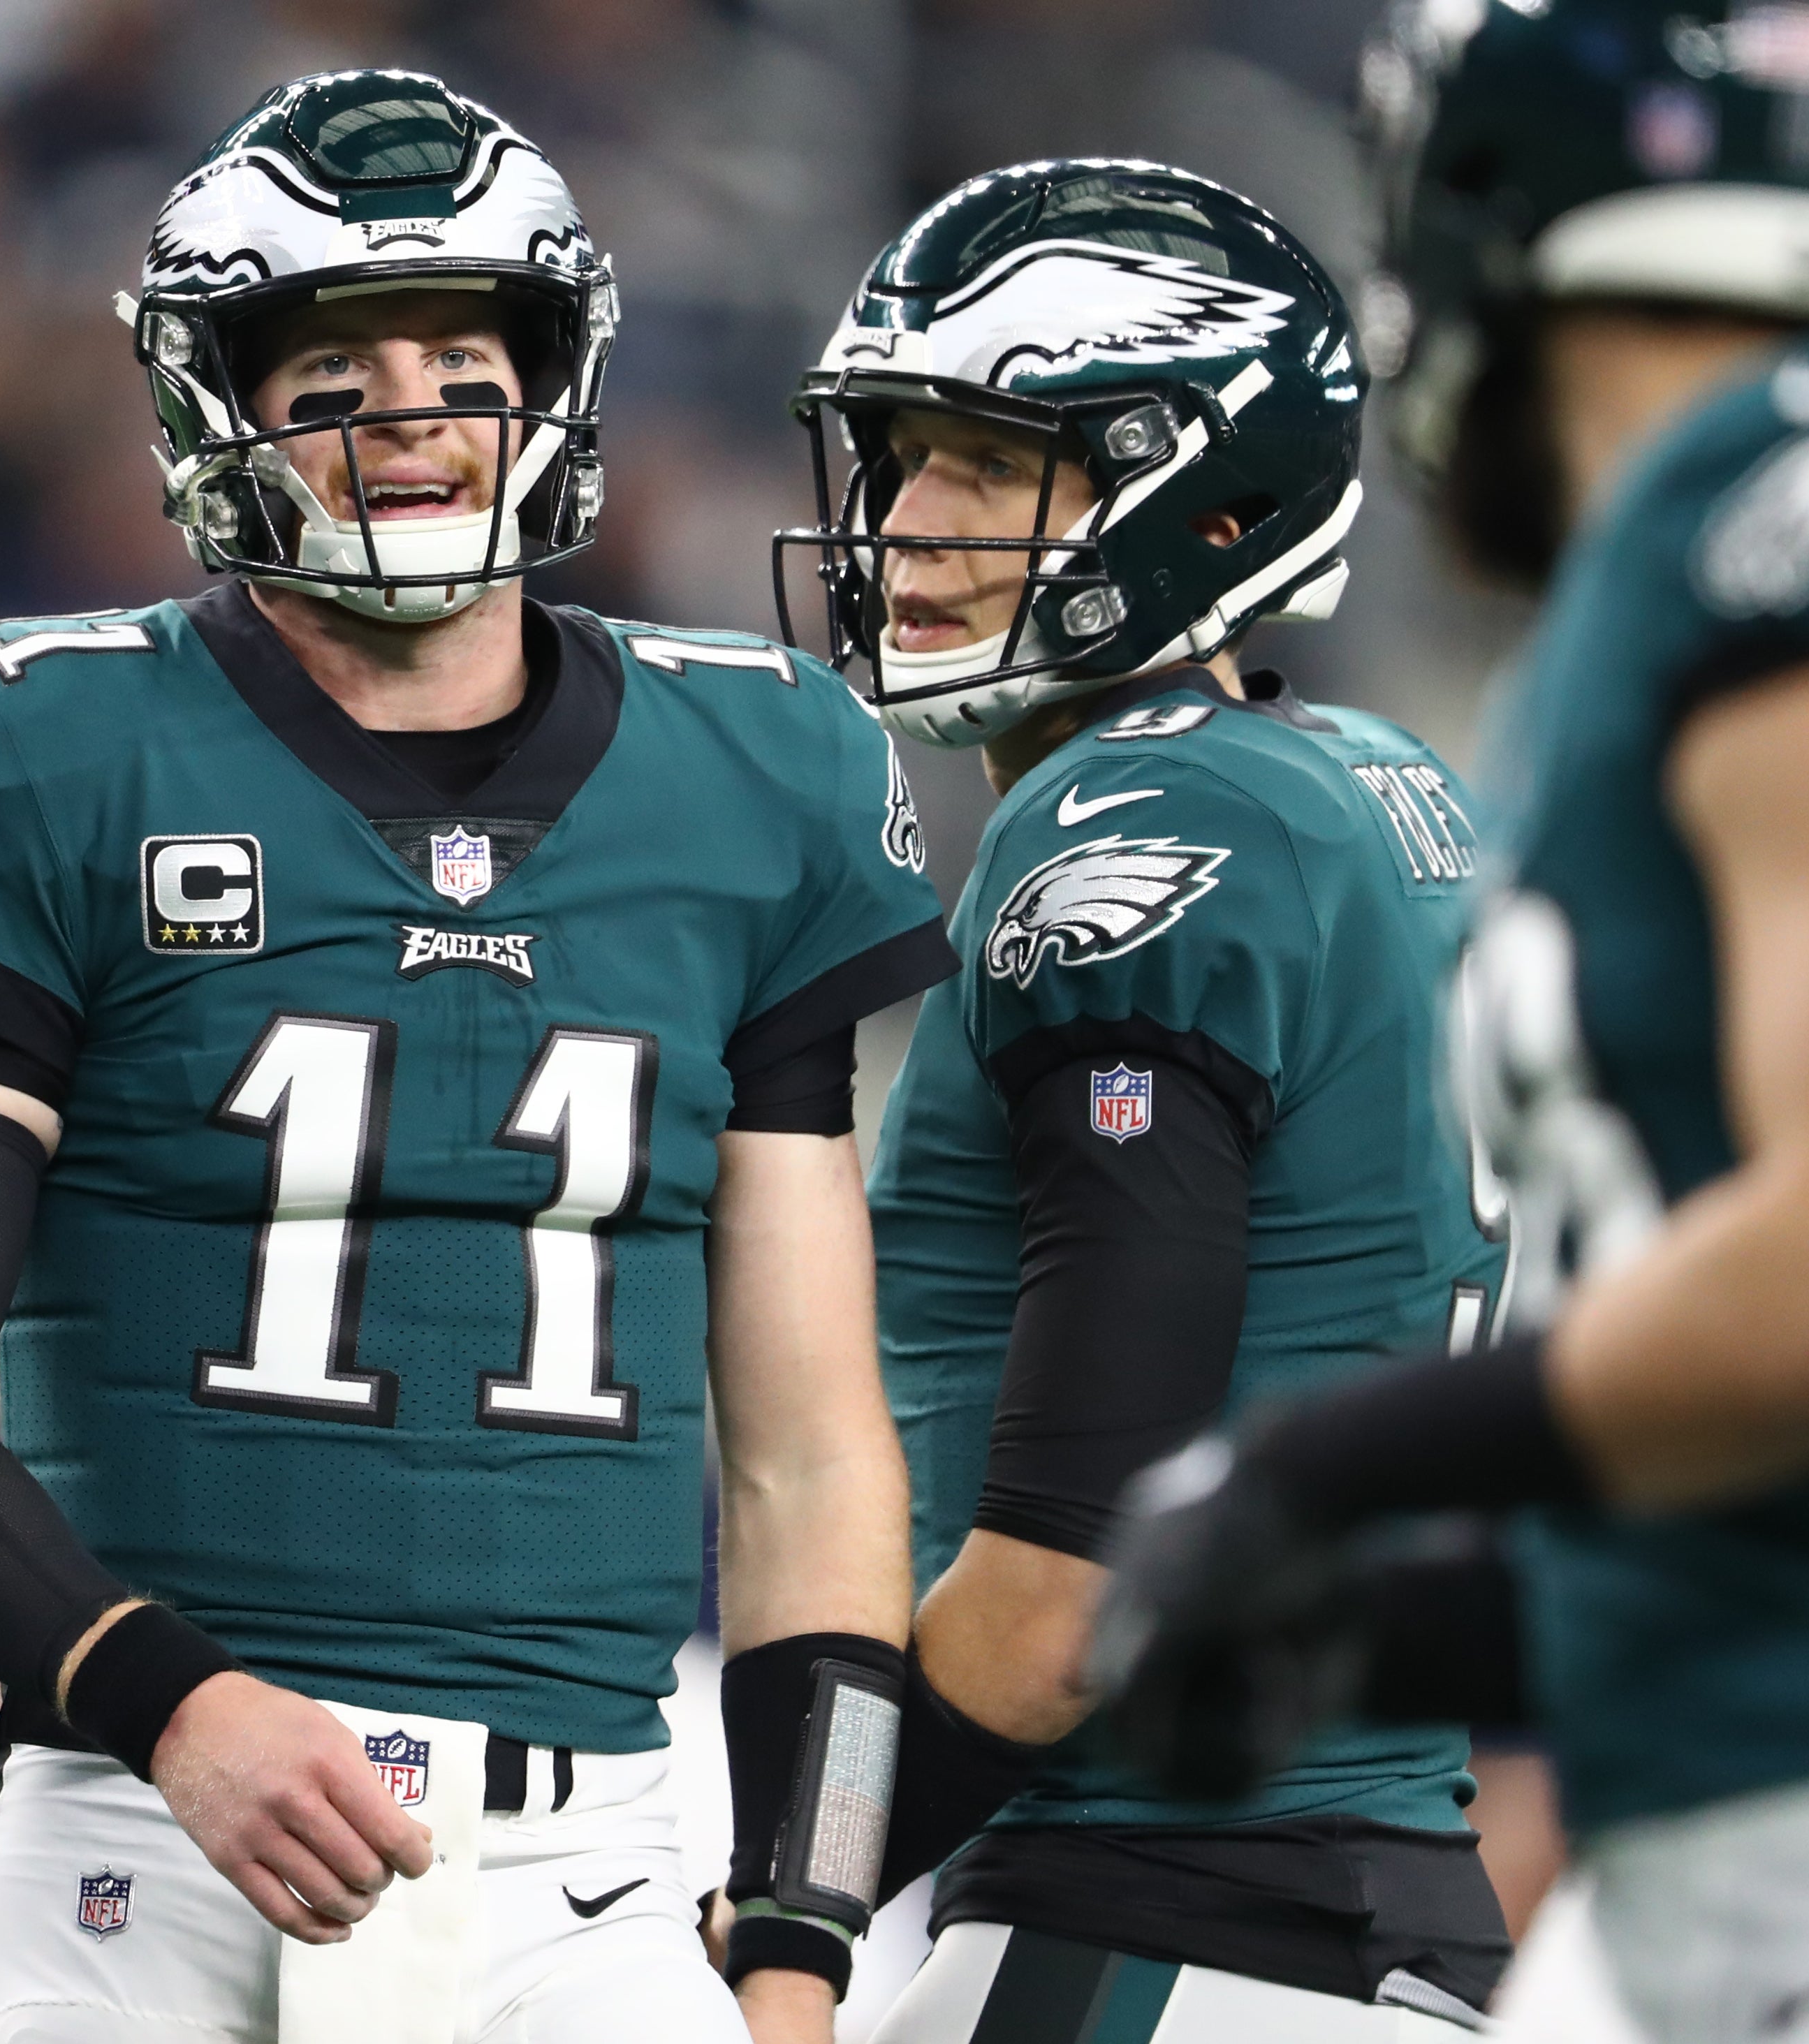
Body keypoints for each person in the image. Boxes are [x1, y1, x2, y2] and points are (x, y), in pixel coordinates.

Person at [0, 71, 951, 2044]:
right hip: (151, 1832)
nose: (405, 410)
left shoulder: (766, 773)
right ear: (218, 406)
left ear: (552, 381)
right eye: (333, 365)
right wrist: (175, 1701)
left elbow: (814, 1454)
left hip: (595, 1866)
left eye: (458, 354)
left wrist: (802, 1927)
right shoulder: (45, 744)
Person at [1098, 3, 1809, 2038]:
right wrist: (1353, 1634)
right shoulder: (1690, 571)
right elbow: (1765, 1429)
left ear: (1501, 179)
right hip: (1744, 1812)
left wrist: (1311, 1474)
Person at [778, 159, 1513, 2041]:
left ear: (1210, 488)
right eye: (900, 458)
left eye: (993, 466)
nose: (910, 524)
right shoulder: (1365, 780)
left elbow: (1056, 1600)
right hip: (1375, 1912)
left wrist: (783, 1889)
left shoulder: (1139, 821)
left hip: (1157, 1926)